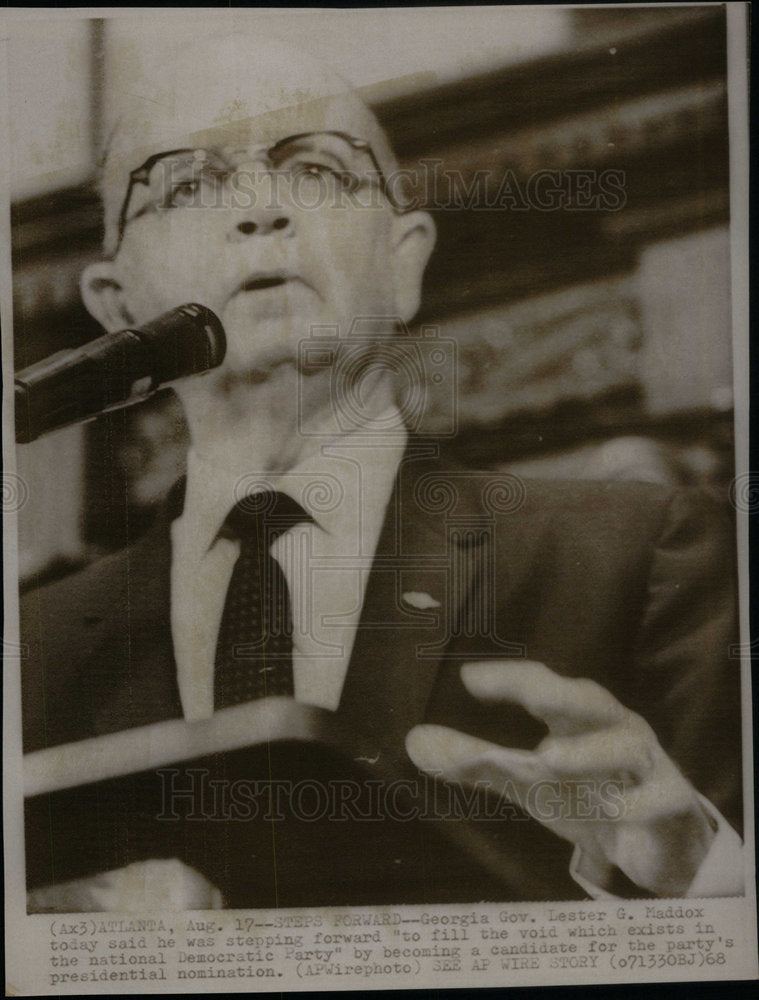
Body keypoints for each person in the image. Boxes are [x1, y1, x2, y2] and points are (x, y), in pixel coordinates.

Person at [21, 34, 743, 911]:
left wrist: (705, 877)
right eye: (190, 184)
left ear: (404, 262)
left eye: (317, 172)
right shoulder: (31, 649)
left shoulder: (640, 553)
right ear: (114, 304)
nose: (261, 214)